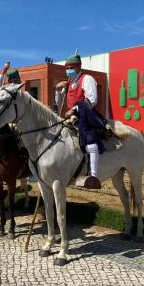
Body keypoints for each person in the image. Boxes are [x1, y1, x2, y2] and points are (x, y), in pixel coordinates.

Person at [56, 52, 107, 188]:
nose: (68, 71)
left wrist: (74, 110)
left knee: (91, 142)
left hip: (86, 115)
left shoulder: (87, 79)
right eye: (66, 68)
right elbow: (59, 102)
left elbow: (92, 100)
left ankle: (94, 176)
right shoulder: (68, 83)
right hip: (69, 118)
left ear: (79, 67)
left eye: (71, 68)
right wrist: (58, 90)